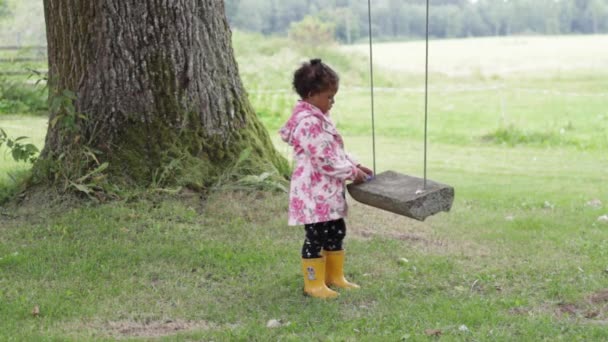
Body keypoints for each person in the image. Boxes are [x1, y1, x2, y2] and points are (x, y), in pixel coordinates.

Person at [279, 58, 373, 299]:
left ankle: (334, 277)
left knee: (336, 231)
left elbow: (335, 152)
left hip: (327, 192)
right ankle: (313, 283)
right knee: (316, 237)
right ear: (311, 94)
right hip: (313, 194)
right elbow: (326, 160)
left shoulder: (320, 116)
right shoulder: (308, 123)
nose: (332, 101)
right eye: (329, 96)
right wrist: (352, 173)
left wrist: (354, 163)